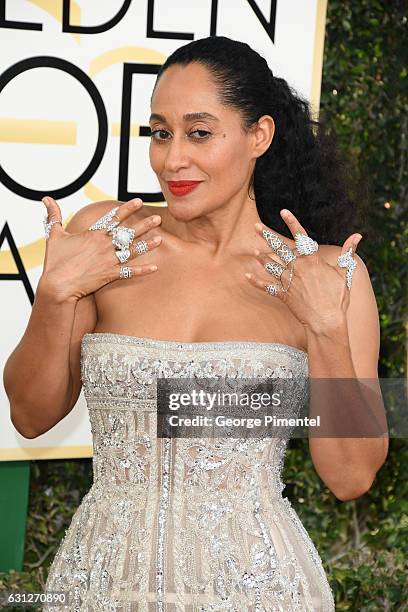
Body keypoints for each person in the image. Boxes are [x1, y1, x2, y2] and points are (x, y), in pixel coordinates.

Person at [4, 35, 388, 611]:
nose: (171, 159)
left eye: (199, 133)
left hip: (257, 588)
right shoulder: (107, 239)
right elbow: (30, 417)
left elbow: (351, 476)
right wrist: (56, 294)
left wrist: (326, 331)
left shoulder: (326, 276)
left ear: (258, 135)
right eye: (161, 133)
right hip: (106, 583)